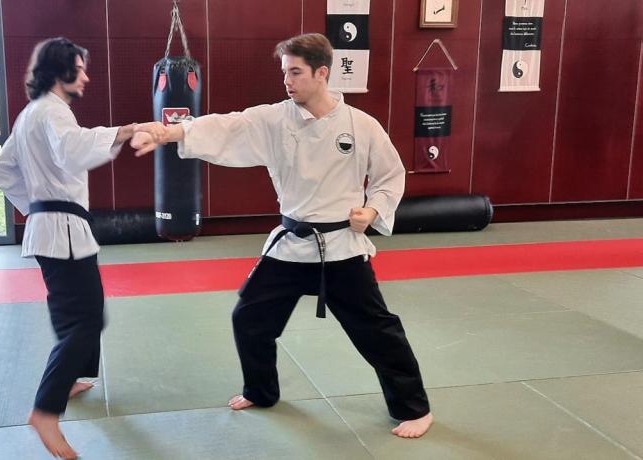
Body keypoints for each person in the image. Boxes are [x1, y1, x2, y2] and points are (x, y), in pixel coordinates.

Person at [131, 33, 433, 438]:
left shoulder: (361, 126)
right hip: (290, 246)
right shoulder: (274, 119)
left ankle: (415, 409)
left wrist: (373, 210)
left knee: (377, 331)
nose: (287, 81)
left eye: (296, 72)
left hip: (340, 248)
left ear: (322, 73)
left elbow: (390, 176)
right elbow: (227, 125)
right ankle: (260, 391)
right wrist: (168, 133)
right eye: (284, 72)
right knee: (249, 319)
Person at [0, 37, 138, 459]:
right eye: (80, 68)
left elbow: (2, 169)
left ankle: (72, 377)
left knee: (74, 312)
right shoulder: (53, 110)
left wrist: (35, 207)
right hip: (63, 231)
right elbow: (73, 150)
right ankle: (46, 409)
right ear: (60, 71)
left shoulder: (29, 115)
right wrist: (125, 131)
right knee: (86, 320)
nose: (86, 77)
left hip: (49, 228)